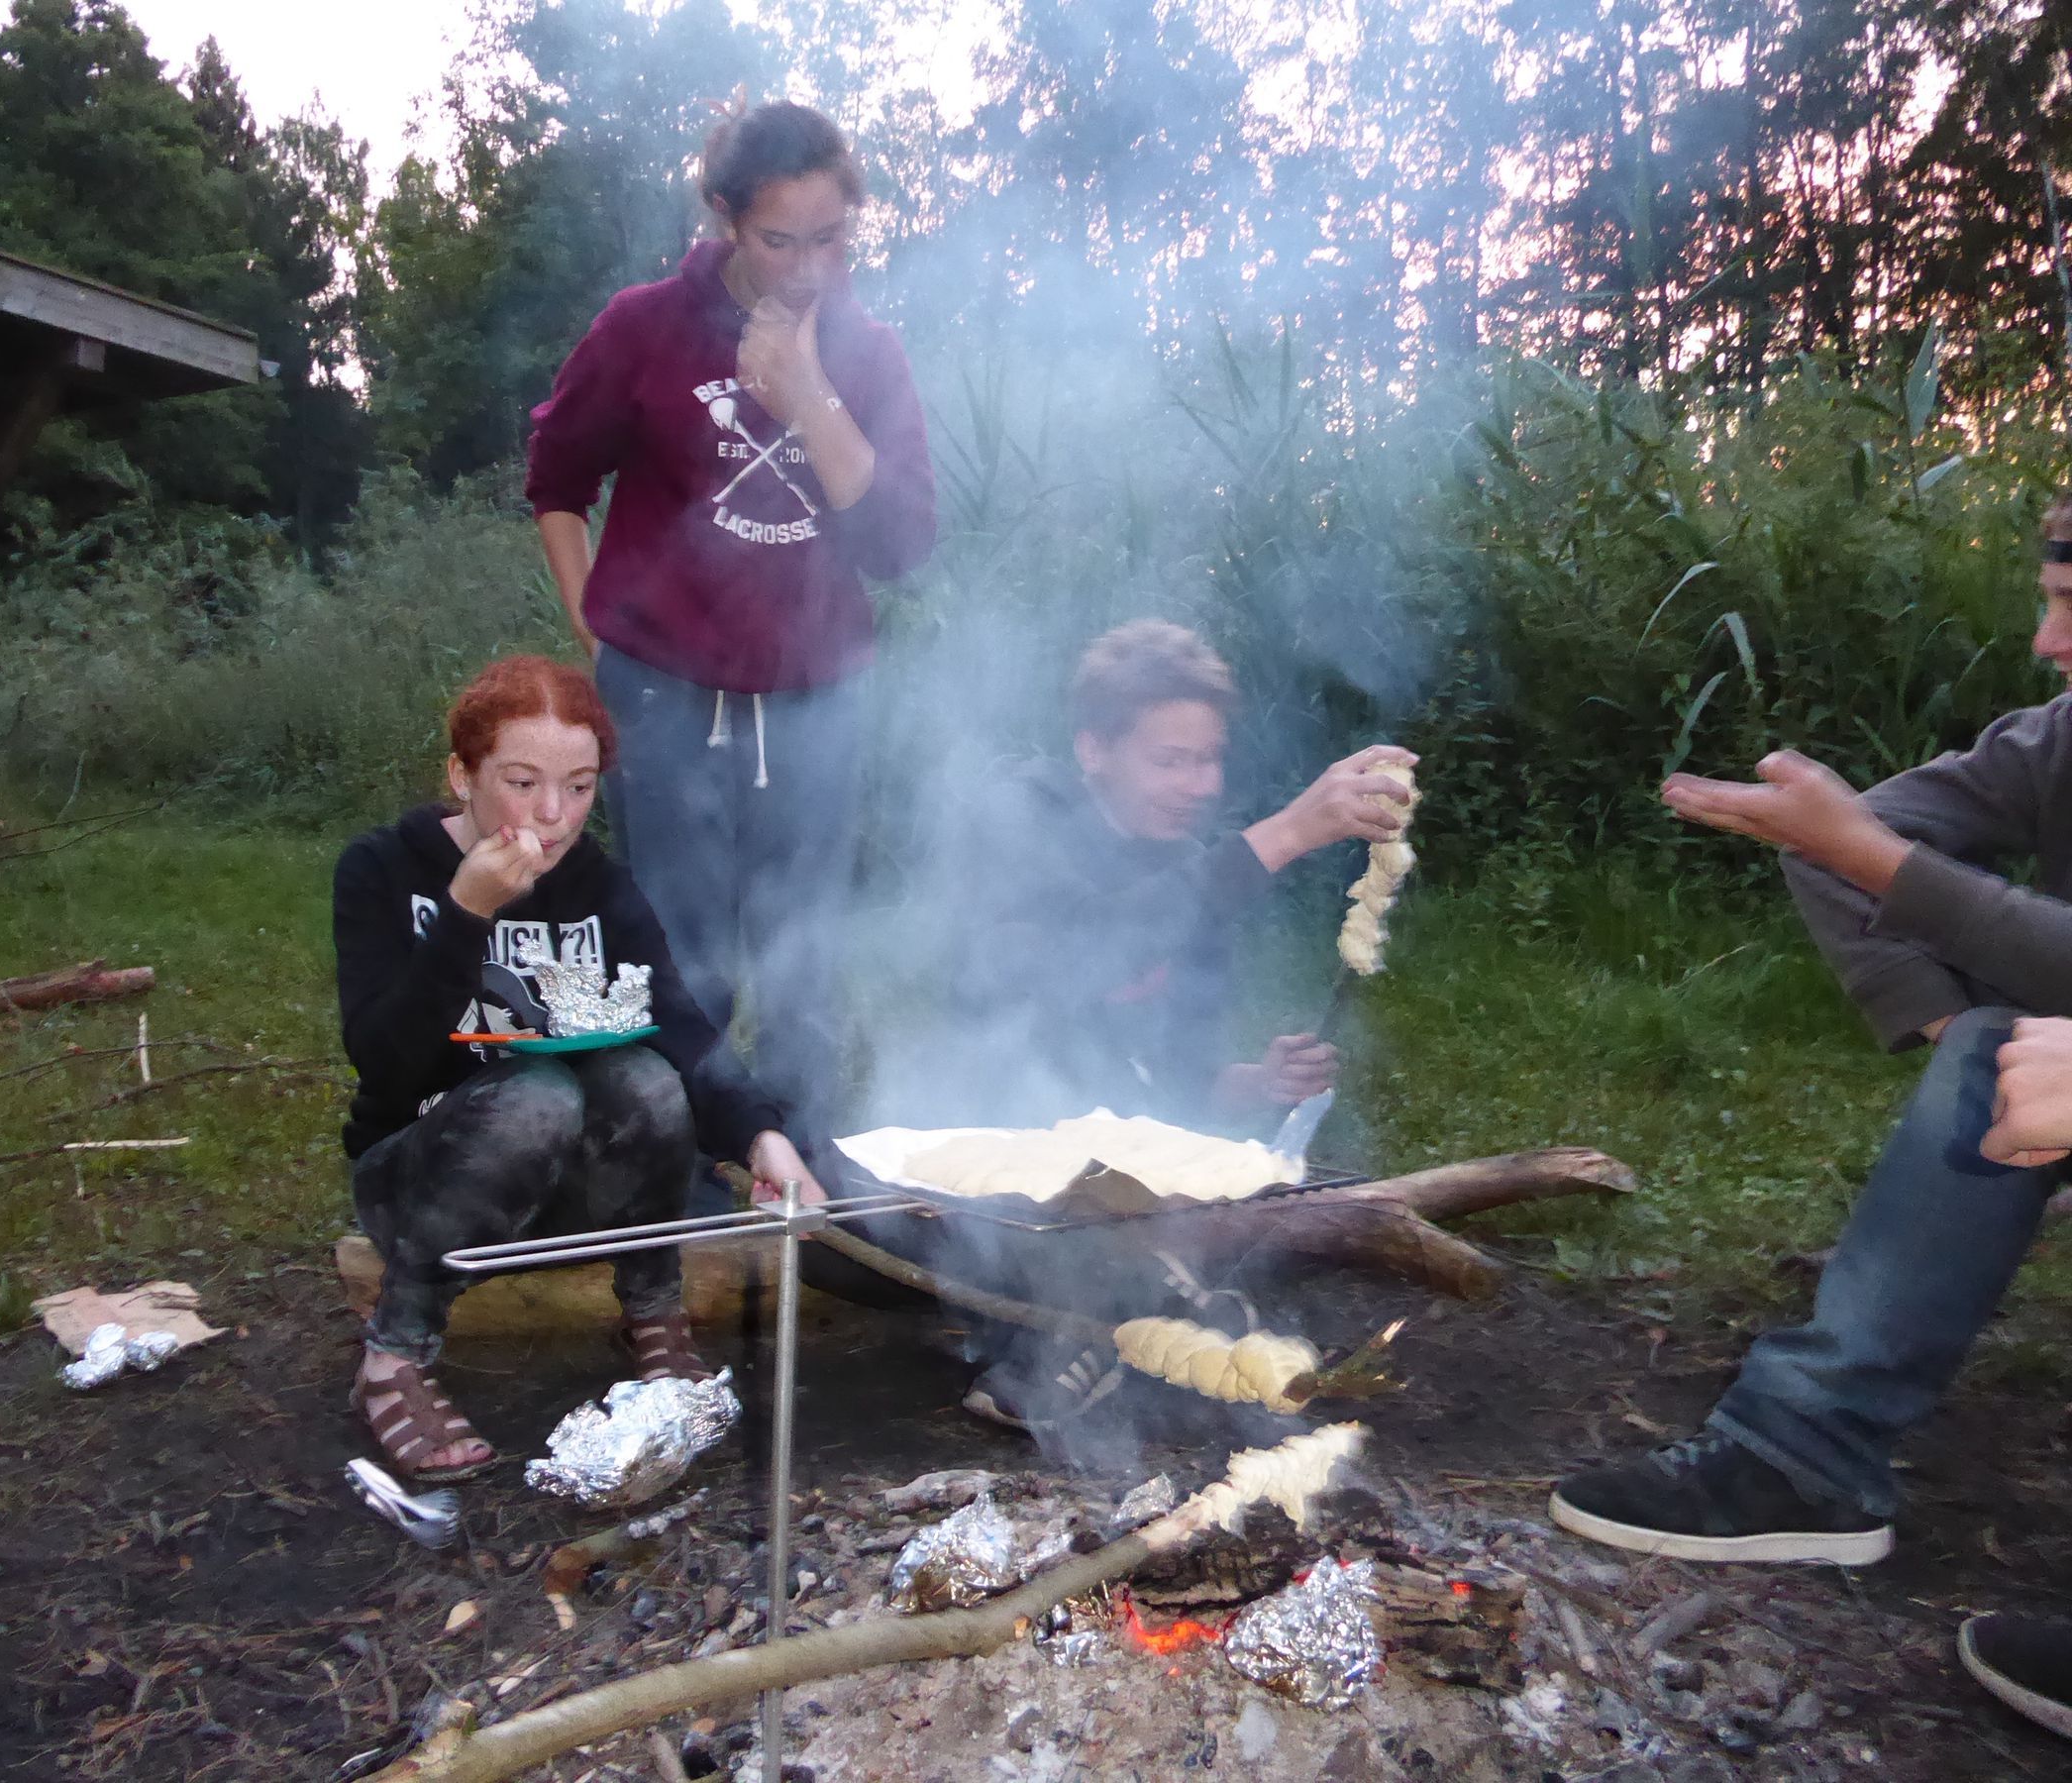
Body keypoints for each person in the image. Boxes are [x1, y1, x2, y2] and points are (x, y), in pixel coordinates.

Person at [1547, 494, 2072, 1739]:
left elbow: (1874, 855)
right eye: (2055, 604)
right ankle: (1804, 1460)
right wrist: (1956, 1032)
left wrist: (1883, 868)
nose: (2049, 645)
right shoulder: (2058, 741)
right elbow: (1842, 840)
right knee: (2002, 1052)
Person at [854, 619, 1417, 1431]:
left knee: (1249, 1200)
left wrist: (1255, 1083)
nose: (1197, 784)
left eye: (1209, 760)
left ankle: (1128, 1313)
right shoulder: (1020, 818)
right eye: (1170, 760)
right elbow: (1068, 971)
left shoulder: (1187, 862)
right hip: (982, 1150)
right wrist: (1285, 834)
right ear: (1095, 750)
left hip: (1109, 1167)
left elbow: (1174, 1075)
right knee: (1121, 1203)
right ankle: (1116, 1316)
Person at [525, 99, 936, 1151]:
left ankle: (803, 1175)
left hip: (819, 694)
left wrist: (806, 397)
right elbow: (558, 478)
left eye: (832, 238)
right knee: (681, 946)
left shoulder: (869, 350)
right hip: (665, 693)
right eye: (779, 238)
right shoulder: (643, 328)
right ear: (722, 217)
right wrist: (593, 624)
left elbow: (898, 546)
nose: (809, 265)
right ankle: (689, 1161)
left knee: (806, 954)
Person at [332, 655, 817, 1482]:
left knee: (648, 1079)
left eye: (581, 786)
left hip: (569, 1195)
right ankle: (394, 1357)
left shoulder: (597, 884)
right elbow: (386, 1065)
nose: (552, 817)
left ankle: (654, 1317)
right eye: (522, 783)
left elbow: (680, 1027)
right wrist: (466, 912)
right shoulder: (382, 870)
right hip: (418, 1185)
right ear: (463, 775)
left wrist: (762, 1134)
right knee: (538, 1092)